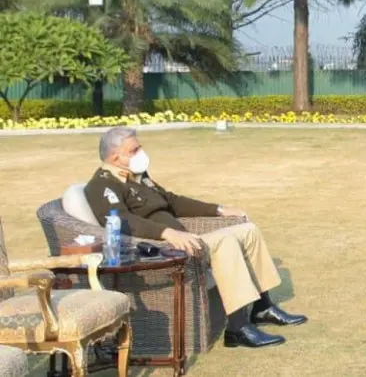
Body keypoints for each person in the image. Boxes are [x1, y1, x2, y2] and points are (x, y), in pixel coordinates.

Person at [84, 126, 307, 349]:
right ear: (115, 157)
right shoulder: (102, 184)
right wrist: (167, 233)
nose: (141, 152)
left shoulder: (137, 178)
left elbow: (172, 201)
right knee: (226, 242)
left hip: (184, 238)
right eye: (134, 149)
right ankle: (237, 328)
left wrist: (218, 209)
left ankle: (263, 307)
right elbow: (120, 221)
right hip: (162, 248)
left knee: (248, 230)